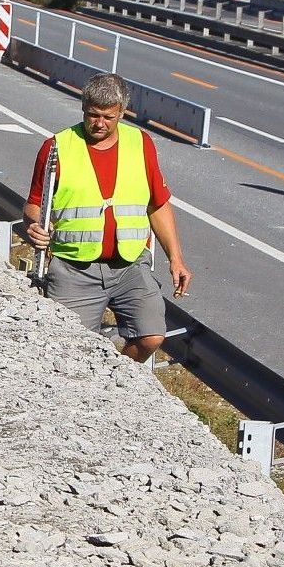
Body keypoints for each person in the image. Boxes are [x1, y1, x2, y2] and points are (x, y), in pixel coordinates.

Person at [23, 74, 191, 363]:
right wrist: (35, 225)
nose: (99, 123)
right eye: (93, 115)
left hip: (131, 265)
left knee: (151, 336)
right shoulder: (57, 147)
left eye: (108, 117)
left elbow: (158, 204)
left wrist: (175, 259)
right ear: (83, 108)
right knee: (70, 352)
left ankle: (116, 376)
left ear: (121, 113)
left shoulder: (140, 143)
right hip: (74, 269)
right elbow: (34, 205)